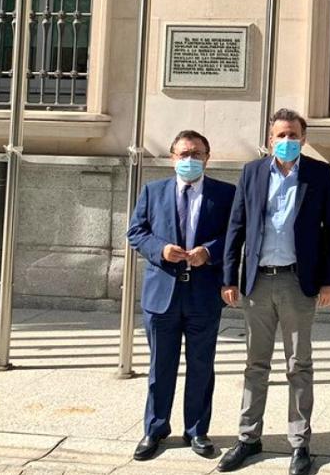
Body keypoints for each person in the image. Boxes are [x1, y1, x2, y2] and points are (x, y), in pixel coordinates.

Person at [218, 110, 330, 475]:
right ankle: (248, 437)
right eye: (280, 134)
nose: (287, 139)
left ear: (303, 138)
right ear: (270, 139)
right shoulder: (252, 172)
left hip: (297, 282)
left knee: (299, 365)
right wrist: (229, 277)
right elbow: (236, 225)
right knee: (256, 364)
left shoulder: (319, 174)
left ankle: (300, 443)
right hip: (257, 282)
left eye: (294, 134)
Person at [127, 130, 235, 461]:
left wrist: (209, 252)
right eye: (184, 154)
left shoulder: (225, 193)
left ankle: (197, 431)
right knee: (161, 366)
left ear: (207, 156)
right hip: (162, 294)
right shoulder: (153, 191)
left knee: (201, 365)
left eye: (197, 153)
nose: (190, 159)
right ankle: (155, 429)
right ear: (172, 157)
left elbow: (234, 234)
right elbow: (136, 232)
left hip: (203, 294)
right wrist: (160, 249)